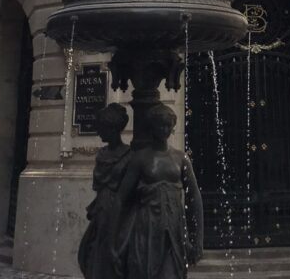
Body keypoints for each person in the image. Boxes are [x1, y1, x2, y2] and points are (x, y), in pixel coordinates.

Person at [112, 103, 203, 279]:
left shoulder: (181, 158)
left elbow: (195, 197)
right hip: (146, 229)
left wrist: (198, 240)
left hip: (174, 229)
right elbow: (121, 198)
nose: (165, 129)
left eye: (169, 125)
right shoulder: (140, 159)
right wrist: (114, 239)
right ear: (152, 127)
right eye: (161, 125)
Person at [78, 103, 132, 279]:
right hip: (101, 209)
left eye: (101, 128)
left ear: (112, 128)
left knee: (115, 249)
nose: (98, 132)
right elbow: (97, 185)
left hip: (121, 211)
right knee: (95, 250)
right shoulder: (101, 154)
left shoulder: (129, 155)